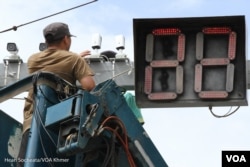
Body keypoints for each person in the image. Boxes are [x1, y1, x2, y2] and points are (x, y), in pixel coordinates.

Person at [17, 22, 95, 167]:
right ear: (66, 39)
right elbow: (89, 86)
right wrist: (78, 62)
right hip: (59, 127)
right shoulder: (73, 59)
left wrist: (74, 59)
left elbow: (54, 65)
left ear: (46, 41)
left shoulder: (33, 59)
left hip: (31, 124)